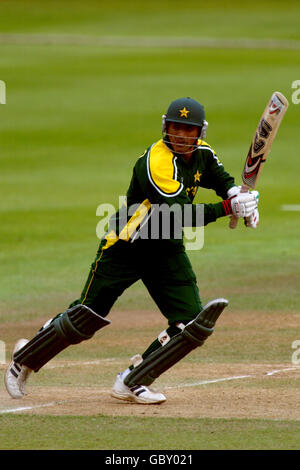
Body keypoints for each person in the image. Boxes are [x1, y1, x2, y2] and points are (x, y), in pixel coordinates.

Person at [5, 97, 259, 404]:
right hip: (128, 244)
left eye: (188, 130)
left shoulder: (203, 154)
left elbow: (218, 177)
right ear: (166, 127)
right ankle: (24, 360)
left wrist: (237, 196)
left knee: (191, 323)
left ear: (199, 133)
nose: (181, 135)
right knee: (86, 316)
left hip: (165, 246)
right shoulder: (156, 161)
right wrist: (228, 207)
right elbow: (176, 213)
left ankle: (132, 381)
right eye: (175, 128)